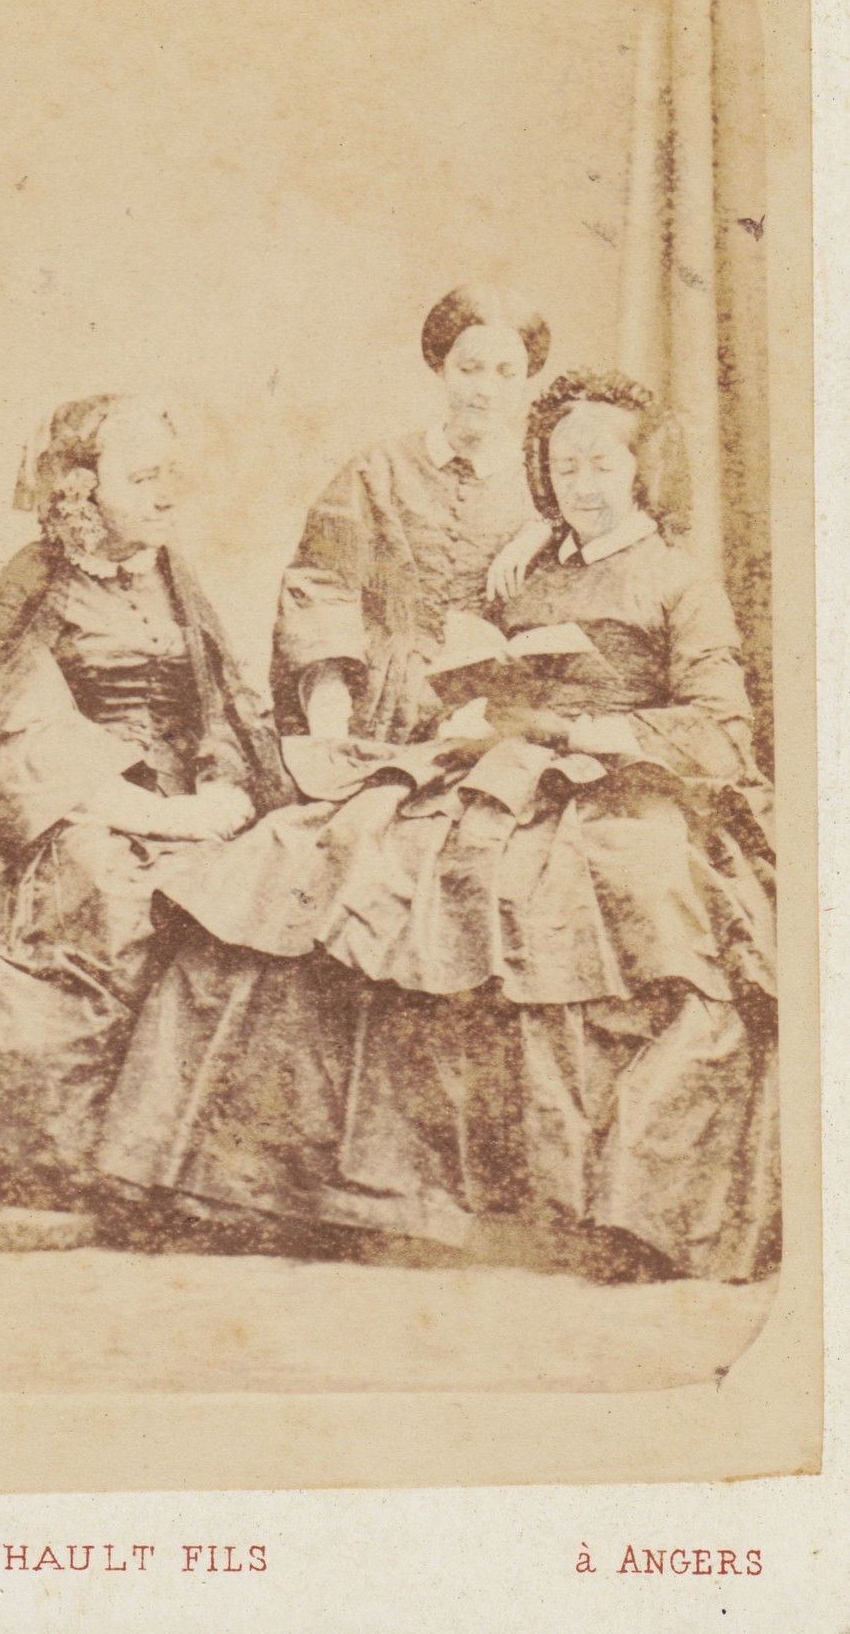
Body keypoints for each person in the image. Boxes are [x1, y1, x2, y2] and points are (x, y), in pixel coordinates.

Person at [99, 371, 778, 1285]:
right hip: (497, 766)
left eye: (602, 465)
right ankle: (278, 1184)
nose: (582, 484)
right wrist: (472, 700)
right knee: (331, 864)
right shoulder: (529, 568)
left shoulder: (679, 581)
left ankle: (571, 1208)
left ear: (642, 470)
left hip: (618, 784)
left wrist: (583, 731)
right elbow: (479, 674)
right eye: (564, 466)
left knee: (576, 909)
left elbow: (719, 728)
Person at [0, 394, 288, 1251]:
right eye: (143, 478)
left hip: (184, 796)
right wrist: (161, 813)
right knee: (112, 895)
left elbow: (220, 701)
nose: (166, 494)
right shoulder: (36, 581)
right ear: (83, 489)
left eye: (171, 475)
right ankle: (93, 1174)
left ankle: (201, 1178)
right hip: (66, 807)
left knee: (271, 887)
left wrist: (222, 788)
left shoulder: (172, 573)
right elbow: (22, 734)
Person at [272, 282, 557, 743]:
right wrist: (328, 708)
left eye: (507, 373)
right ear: (441, 366)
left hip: (501, 709)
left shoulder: (552, 484)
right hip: (382, 699)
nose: (486, 390)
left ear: (528, 377)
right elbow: (321, 586)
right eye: (469, 369)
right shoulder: (378, 469)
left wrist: (545, 528)